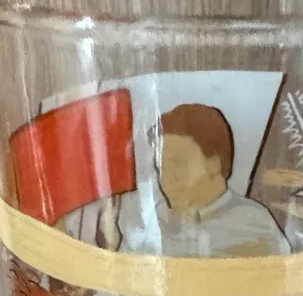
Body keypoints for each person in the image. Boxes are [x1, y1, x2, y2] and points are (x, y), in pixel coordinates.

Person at [95, 103, 290, 258]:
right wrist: (111, 246)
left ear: (214, 164)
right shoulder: (159, 222)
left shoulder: (251, 223)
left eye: (178, 163)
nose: (167, 177)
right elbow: (129, 290)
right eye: (160, 167)